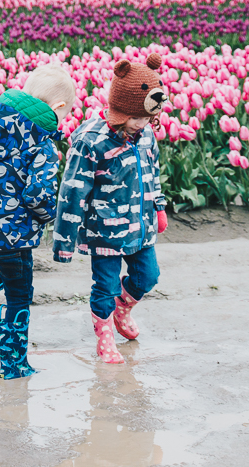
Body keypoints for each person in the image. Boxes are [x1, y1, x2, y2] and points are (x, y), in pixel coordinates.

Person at [0, 64, 76, 380]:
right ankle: (13, 364)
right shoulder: (44, 144)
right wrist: (50, 217)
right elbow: (37, 193)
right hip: (13, 234)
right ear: (58, 108)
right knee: (19, 293)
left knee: (2, 268)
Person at [53, 54, 168, 365]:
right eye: (137, 118)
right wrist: (64, 242)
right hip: (104, 232)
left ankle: (123, 308)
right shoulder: (91, 142)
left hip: (140, 226)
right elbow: (72, 192)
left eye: (147, 119)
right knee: (105, 284)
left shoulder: (145, 136)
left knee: (148, 276)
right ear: (121, 110)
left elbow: (152, 173)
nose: (144, 125)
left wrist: (158, 206)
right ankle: (105, 335)